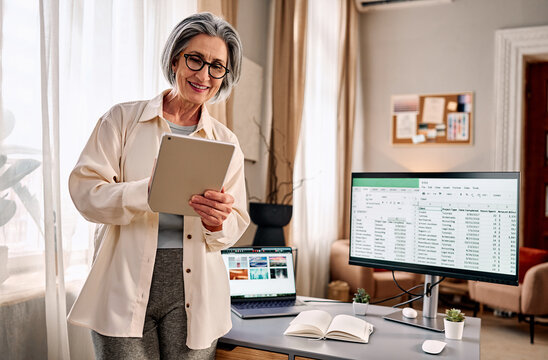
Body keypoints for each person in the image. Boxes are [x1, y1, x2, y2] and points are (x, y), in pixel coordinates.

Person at [68, 12, 249, 359]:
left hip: (195, 291)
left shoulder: (226, 141)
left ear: (224, 75)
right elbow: (84, 193)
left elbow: (234, 223)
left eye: (216, 66)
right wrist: (144, 192)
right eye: (195, 59)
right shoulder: (121, 120)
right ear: (174, 58)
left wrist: (217, 222)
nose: (203, 75)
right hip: (121, 285)